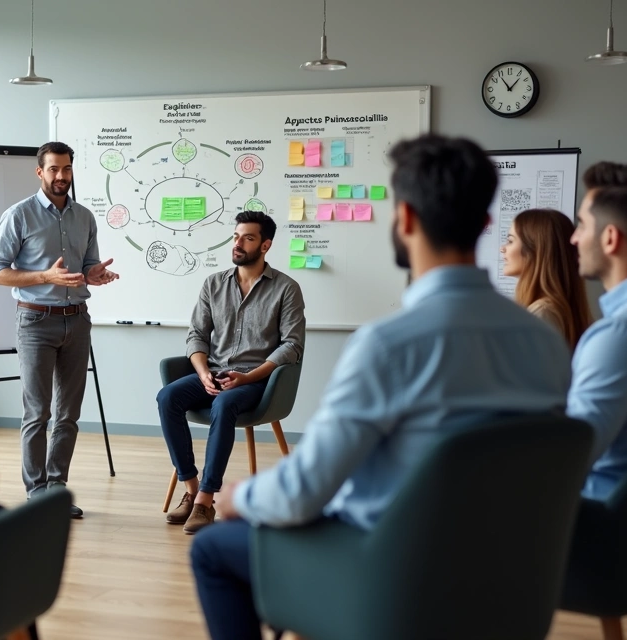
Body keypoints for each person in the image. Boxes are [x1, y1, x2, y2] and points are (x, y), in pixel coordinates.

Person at [188, 134, 572, 640]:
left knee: (213, 549)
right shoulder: (544, 342)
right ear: (483, 224)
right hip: (509, 582)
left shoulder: (389, 344)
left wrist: (242, 497)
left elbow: (304, 492)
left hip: (394, 579)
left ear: (406, 219)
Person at [0, 141, 119, 518]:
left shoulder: (85, 217)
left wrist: (96, 273)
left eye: (67, 169)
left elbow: (88, 265)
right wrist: (44, 276)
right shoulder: (19, 215)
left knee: (68, 413)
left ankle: (57, 489)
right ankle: (36, 492)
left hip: (77, 320)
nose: (61, 176)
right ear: (40, 172)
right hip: (35, 322)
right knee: (37, 412)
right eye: (54, 169)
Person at [157, 210, 305, 534]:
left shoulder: (286, 289)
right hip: (214, 371)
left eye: (247, 238)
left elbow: (292, 345)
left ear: (265, 245)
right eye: (236, 236)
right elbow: (196, 334)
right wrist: (202, 372)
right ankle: (192, 488)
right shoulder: (213, 284)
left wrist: (248, 378)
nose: (237, 243)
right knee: (167, 397)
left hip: (258, 380)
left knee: (224, 405)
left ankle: (207, 501)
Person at [566, 161, 627, 499]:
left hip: (594, 527)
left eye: (582, 224)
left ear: (610, 238)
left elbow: (568, 456)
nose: (574, 238)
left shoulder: (621, 335)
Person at [500, 208, 592, 349]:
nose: (503, 248)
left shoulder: (541, 314)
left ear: (535, 251)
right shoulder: (550, 311)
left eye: (510, 241)